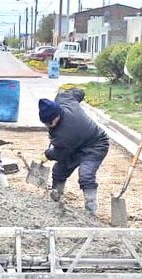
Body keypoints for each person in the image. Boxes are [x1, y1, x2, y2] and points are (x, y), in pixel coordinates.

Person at [38, 88, 109, 216]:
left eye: (50, 123)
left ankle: (90, 212)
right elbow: (79, 92)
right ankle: (55, 201)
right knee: (59, 171)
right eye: (45, 123)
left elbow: (60, 154)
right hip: (74, 145)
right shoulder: (64, 98)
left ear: (57, 115)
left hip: (95, 145)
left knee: (86, 175)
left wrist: (47, 154)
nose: (48, 126)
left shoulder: (66, 133)